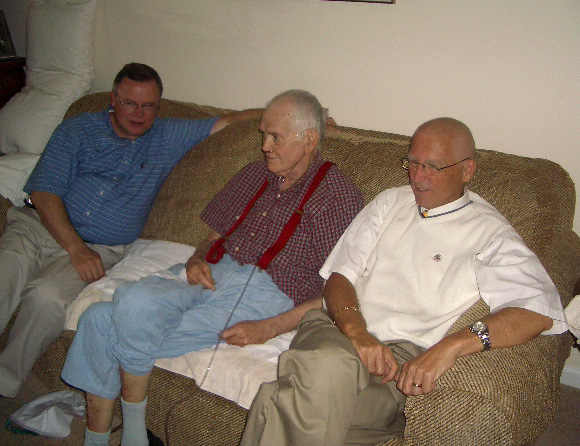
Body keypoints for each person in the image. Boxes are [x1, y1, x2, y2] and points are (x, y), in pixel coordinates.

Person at [60, 89, 363, 446]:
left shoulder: (337, 195)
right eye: (263, 135)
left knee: (100, 320)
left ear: (309, 140)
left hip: (269, 292)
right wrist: (196, 258)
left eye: (275, 137)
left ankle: (122, 437)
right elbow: (212, 236)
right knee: (135, 300)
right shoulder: (256, 173)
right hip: (216, 269)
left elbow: (337, 288)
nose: (264, 146)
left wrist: (270, 327)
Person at [240, 117, 569, 446]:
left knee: (283, 403)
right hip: (337, 330)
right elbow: (339, 277)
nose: (417, 176)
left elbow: (537, 311)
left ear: (467, 170)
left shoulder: (490, 232)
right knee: (327, 368)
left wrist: (450, 347)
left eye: (432, 166)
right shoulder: (390, 202)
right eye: (412, 163)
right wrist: (358, 333)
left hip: (395, 367)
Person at [0, 62, 264, 399]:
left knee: (46, 297)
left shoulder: (168, 135)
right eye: (129, 103)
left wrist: (297, 119)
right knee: (6, 272)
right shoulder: (78, 129)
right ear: (113, 99)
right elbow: (44, 192)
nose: (138, 113)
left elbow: (229, 121)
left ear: (158, 106)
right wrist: (76, 248)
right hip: (39, 226)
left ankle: (4, 382)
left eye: (148, 105)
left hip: (100, 248)